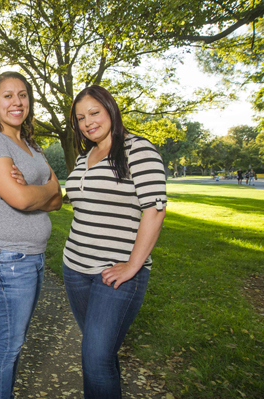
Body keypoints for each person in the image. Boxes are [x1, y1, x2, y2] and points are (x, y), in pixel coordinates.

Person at [62, 85, 166, 399]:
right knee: (100, 355)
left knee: (94, 356)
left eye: (94, 112)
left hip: (115, 273)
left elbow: (155, 209)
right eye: (80, 118)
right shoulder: (85, 157)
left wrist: (133, 265)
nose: (87, 122)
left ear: (110, 109)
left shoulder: (138, 149)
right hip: (74, 269)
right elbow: (82, 204)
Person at [0, 71, 63, 399]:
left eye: (22, 95)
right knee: (7, 347)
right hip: (6, 258)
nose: (16, 102)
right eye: (7, 96)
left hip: (32, 257)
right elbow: (21, 199)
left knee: (13, 343)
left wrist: (42, 190)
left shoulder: (30, 144)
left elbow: (58, 198)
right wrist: (43, 191)